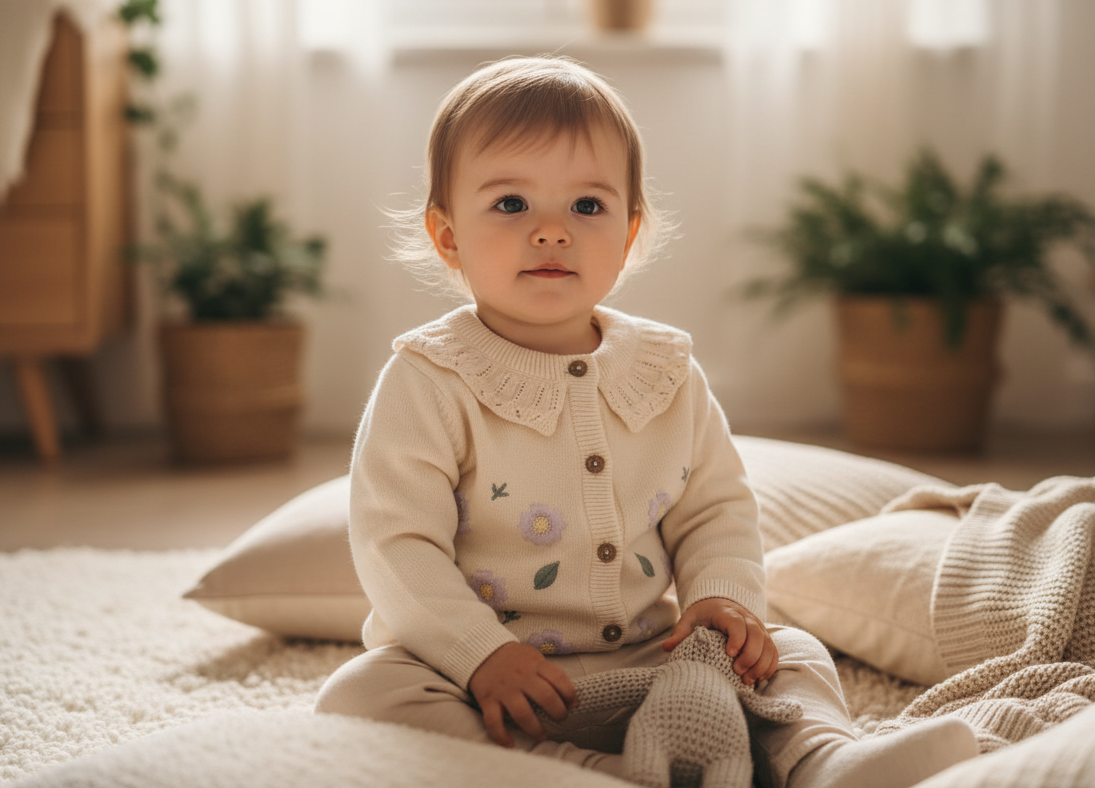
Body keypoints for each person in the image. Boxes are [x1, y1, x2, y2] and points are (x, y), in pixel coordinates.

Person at [315, 56, 978, 787]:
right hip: (492, 681)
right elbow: (394, 543)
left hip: (655, 664)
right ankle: (579, 772)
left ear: (628, 235)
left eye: (587, 207)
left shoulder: (665, 371)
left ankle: (823, 761)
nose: (550, 232)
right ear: (447, 237)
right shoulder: (428, 377)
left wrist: (722, 602)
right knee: (361, 695)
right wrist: (479, 654)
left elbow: (715, 508)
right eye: (510, 205)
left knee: (792, 653)